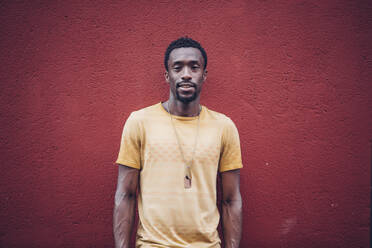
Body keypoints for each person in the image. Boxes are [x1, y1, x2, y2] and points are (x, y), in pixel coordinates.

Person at [113, 37, 243, 248]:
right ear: (167, 75)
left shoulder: (223, 127)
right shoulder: (139, 122)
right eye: (177, 68)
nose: (186, 75)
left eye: (194, 67)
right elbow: (125, 194)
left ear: (204, 75)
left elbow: (231, 200)